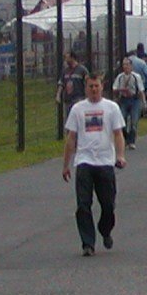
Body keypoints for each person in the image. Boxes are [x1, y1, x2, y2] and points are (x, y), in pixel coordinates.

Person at [62, 75, 127, 255]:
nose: (94, 89)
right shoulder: (78, 109)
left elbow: (118, 134)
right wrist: (66, 165)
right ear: (85, 88)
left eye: (96, 86)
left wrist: (120, 156)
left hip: (105, 162)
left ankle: (105, 230)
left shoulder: (111, 108)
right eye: (90, 86)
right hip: (84, 161)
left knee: (108, 204)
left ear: (102, 86)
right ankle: (87, 243)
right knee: (83, 205)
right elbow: (71, 138)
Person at [112, 56, 145, 149]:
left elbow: (141, 90)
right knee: (122, 119)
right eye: (124, 65)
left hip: (134, 100)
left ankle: (132, 141)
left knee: (134, 121)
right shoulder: (120, 77)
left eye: (127, 64)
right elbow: (114, 89)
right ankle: (126, 138)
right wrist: (121, 90)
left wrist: (144, 102)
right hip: (124, 100)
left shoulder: (136, 76)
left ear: (131, 66)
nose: (125, 66)